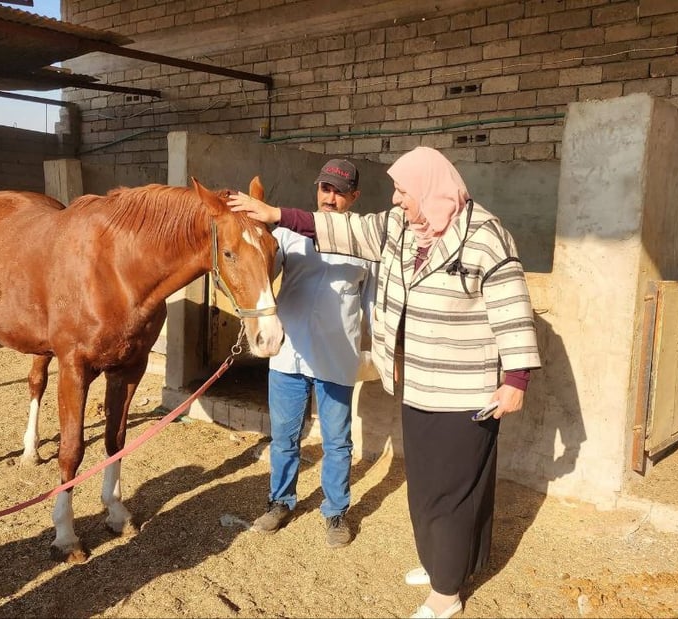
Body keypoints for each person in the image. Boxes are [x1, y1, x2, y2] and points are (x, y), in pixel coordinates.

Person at [230, 146, 540, 619]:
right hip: (417, 381)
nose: (395, 199)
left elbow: (512, 307)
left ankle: (445, 593)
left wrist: (515, 376)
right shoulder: (402, 229)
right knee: (426, 485)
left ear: (429, 188)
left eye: (402, 190)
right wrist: (275, 215)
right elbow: (345, 231)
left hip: (462, 386)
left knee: (453, 490)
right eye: (396, 190)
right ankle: (442, 566)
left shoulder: (485, 236)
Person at [248, 159, 376, 550]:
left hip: (337, 358)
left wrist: (380, 352)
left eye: (339, 192)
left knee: (337, 442)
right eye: (325, 189)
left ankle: (336, 512)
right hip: (289, 354)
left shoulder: (365, 242)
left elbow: (373, 305)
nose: (330, 198)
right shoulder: (289, 234)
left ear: (354, 196)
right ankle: (280, 502)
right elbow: (261, 274)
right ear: (317, 190)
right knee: (285, 437)